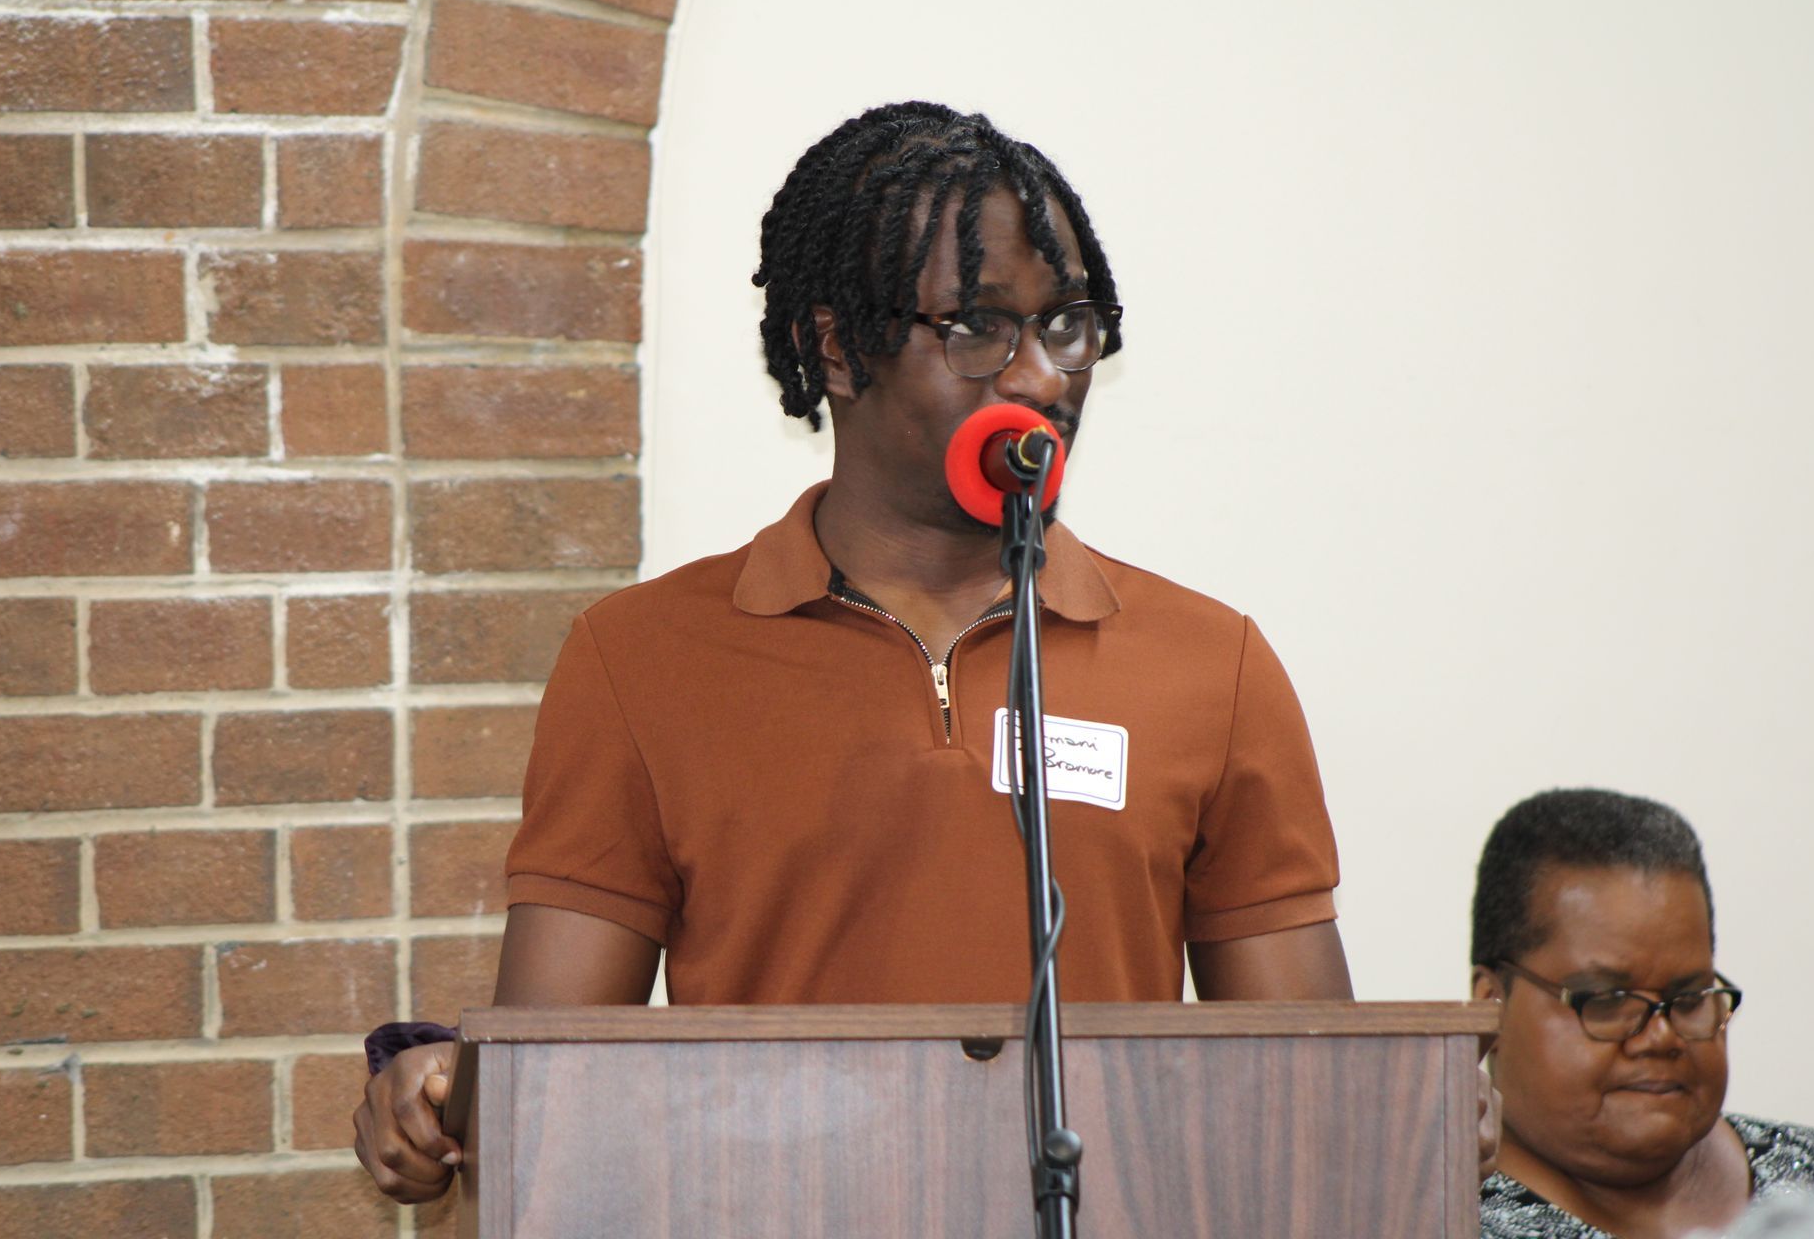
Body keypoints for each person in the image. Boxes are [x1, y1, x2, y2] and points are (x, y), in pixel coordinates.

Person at [355, 100, 1353, 1204]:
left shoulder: (1214, 666)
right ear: (832, 345)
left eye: (1067, 324)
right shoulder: (639, 660)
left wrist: (1431, 1112)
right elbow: (551, 1088)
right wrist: (442, 1085)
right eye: (977, 325)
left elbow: (1311, 1092)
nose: (1039, 378)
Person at [1471, 788, 1814, 1238]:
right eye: (1607, 999)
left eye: (1688, 998)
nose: (1661, 1036)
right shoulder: (1432, 1221)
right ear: (1489, 1005)